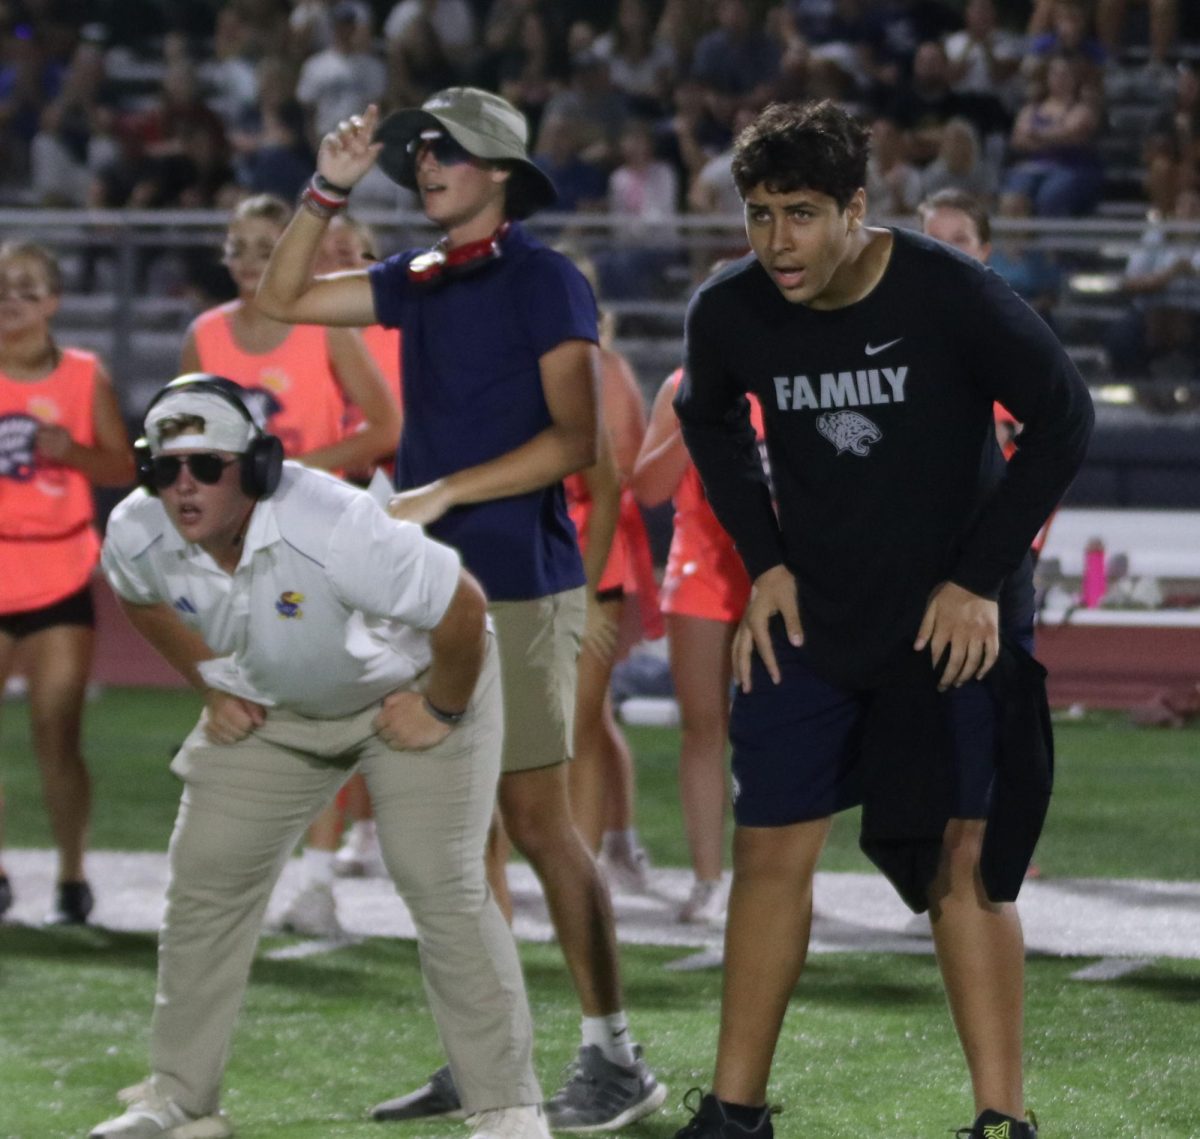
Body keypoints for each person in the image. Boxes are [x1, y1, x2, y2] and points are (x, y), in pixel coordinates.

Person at [670, 100, 1093, 1139]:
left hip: (955, 614)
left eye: (803, 213)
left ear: (857, 209)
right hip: (814, 614)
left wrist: (982, 577)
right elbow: (706, 419)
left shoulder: (951, 293)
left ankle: (1002, 1118)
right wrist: (763, 562)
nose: (778, 242)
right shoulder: (730, 311)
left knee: (966, 858)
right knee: (770, 847)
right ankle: (734, 1112)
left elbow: (1065, 416)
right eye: (762, 214)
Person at [256, 87, 665, 1130]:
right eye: (420, 150)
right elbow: (283, 298)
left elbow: (577, 440)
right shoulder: (421, 275)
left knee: (538, 823)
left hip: (519, 582)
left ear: (498, 173)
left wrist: (445, 489)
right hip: (425, 588)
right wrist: (325, 187)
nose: (426, 162)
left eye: (447, 151)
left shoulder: (547, 280)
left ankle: (616, 1057)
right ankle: (485, 1053)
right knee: (451, 837)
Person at [89, 373, 547, 1139]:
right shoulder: (139, 528)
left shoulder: (331, 523)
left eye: (207, 466)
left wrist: (441, 706)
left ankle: (507, 1108)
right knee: (205, 878)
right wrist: (207, 676)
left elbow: (462, 605)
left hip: (408, 691)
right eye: (165, 470)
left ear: (259, 467)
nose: (183, 487)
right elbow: (135, 594)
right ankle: (180, 1101)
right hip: (280, 705)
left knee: (440, 880)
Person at [0, 241, 134, 926]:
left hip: (57, 567)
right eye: (1, 286)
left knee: (57, 730)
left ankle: (72, 875)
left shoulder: (83, 375)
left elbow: (121, 467)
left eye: (25, 287)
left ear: (53, 302)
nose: (9, 298)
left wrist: (70, 452)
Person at [629, 365, 764, 926]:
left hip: (781, 566)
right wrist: (694, 415)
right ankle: (708, 880)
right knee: (704, 726)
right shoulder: (684, 384)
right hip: (703, 565)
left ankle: (773, 876)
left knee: (782, 731)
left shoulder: (799, 370)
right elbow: (649, 488)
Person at [180, 193, 401, 476]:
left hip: (314, 507)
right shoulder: (202, 334)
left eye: (264, 251)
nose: (249, 261)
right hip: (232, 512)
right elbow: (188, 436)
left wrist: (290, 471)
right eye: (238, 249)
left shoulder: (327, 327)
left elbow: (388, 429)